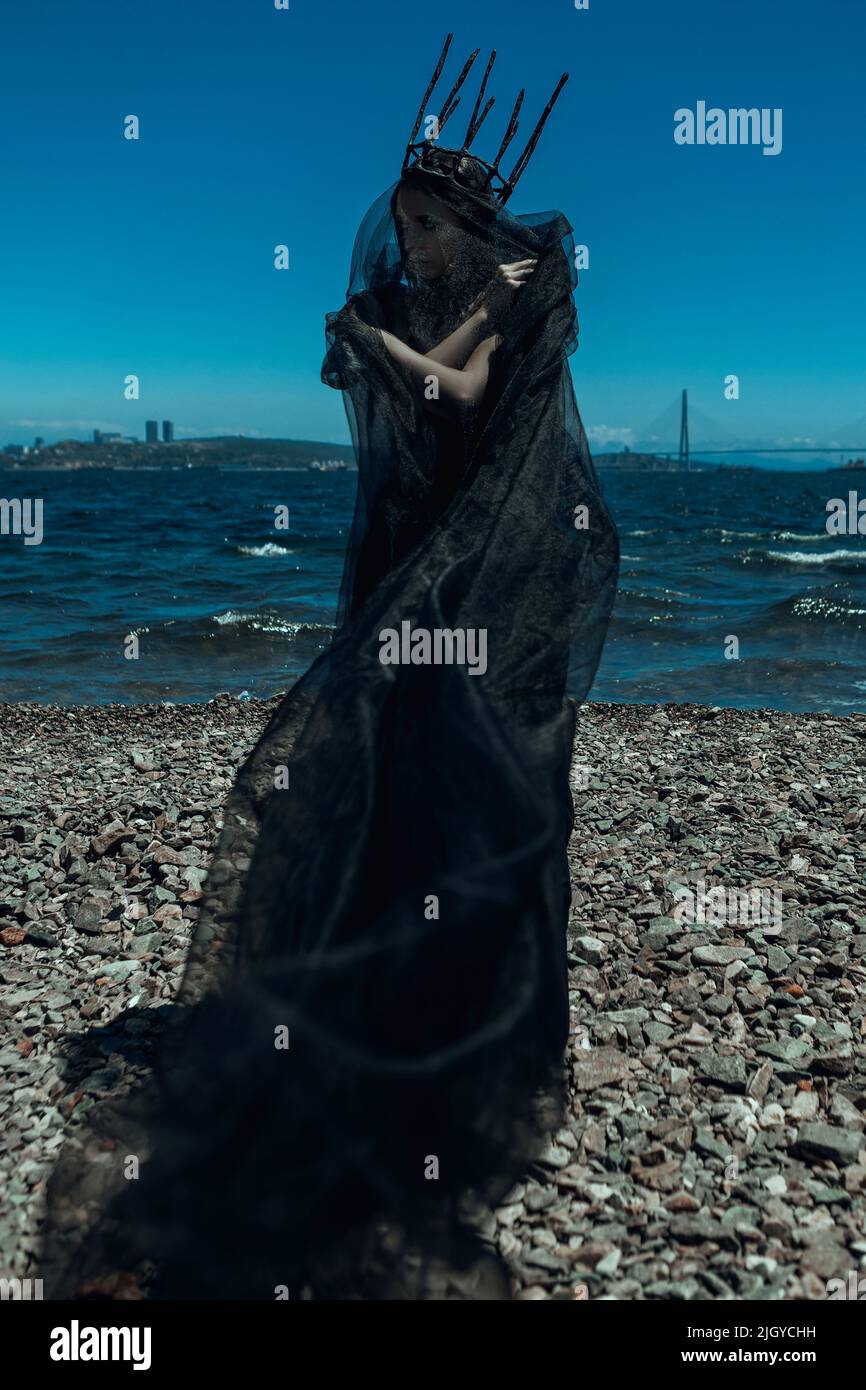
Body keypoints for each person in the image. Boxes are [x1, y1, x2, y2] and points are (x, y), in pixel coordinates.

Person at [41, 35, 620, 1301]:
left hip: (486, 571)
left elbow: (458, 400)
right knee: (387, 764)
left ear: (464, 219)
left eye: (427, 223)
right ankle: (379, 997)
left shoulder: (502, 278)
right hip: (415, 561)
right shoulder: (415, 284)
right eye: (403, 223)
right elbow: (397, 417)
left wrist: (376, 344)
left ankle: (470, 1029)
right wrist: (363, 337)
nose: (410, 243)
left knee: (479, 774)